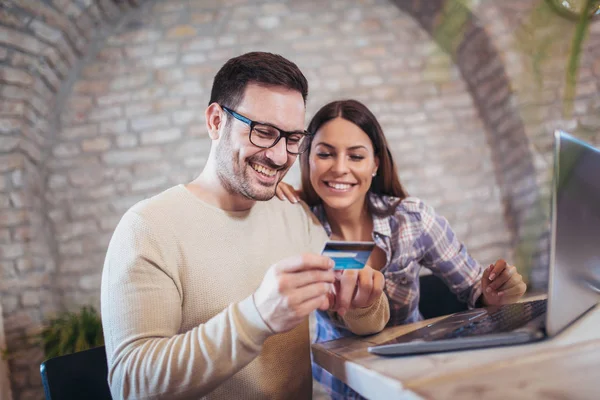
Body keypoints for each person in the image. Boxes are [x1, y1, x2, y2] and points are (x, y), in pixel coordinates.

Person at [100, 54, 390, 400]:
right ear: (215, 121)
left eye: (292, 138)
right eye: (264, 132)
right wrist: (257, 317)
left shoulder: (292, 212)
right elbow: (130, 386)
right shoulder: (147, 229)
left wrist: (364, 301)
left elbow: (368, 321)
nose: (280, 156)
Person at [276, 99, 528, 399]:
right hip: (340, 388)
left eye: (356, 156)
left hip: (417, 379)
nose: (340, 168)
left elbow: (476, 288)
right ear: (308, 160)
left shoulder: (411, 219)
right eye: (325, 154)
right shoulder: (296, 224)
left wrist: (495, 292)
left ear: (375, 164)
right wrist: (268, 201)